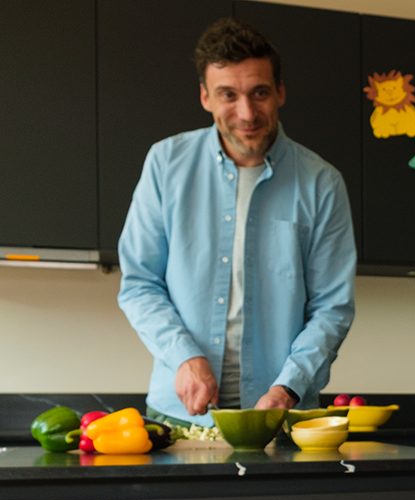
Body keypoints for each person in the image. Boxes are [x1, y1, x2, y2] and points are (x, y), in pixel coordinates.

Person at [117, 18, 356, 425]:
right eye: (228, 94)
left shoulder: (322, 183)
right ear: (205, 97)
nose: (247, 113)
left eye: (259, 92)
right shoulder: (165, 164)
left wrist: (289, 388)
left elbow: (332, 307)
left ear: (280, 92)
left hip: (284, 416)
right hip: (179, 418)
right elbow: (140, 283)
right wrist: (185, 357)